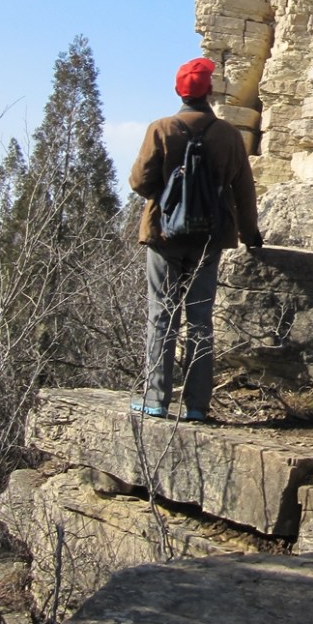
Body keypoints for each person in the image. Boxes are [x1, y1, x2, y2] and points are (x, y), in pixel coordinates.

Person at [129, 56, 263, 421]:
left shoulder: (161, 129)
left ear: (179, 91)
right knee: (200, 319)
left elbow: (139, 181)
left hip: (164, 236)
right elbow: (244, 191)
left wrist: (169, 193)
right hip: (210, 237)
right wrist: (251, 236)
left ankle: (156, 399)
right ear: (210, 92)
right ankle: (197, 406)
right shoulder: (229, 136)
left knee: (162, 316)